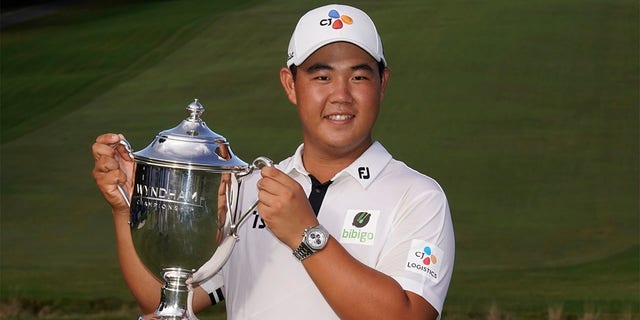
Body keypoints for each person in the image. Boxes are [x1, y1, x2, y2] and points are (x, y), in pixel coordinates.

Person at [92, 4, 454, 320]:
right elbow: (164, 299)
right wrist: (127, 209)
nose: (341, 95)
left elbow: (407, 315)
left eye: (359, 76)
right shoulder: (248, 190)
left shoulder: (418, 197)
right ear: (291, 84)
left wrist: (304, 234)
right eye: (322, 77)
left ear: (382, 84)